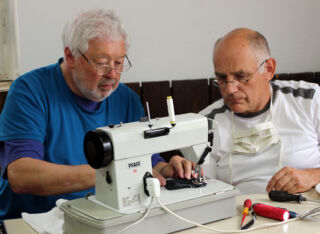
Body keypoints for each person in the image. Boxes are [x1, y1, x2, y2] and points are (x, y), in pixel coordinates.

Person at [0, 9, 195, 221]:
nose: (112, 74)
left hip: (104, 218)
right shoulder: (29, 91)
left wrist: (165, 169)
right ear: (70, 56)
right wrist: (111, 175)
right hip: (33, 221)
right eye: (102, 63)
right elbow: (21, 175)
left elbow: (146, 158)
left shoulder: (126, 99)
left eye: (119, 63)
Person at [200, 28, 320, 194]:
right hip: (244, 214)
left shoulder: (309, 99)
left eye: (241, 76)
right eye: (221, 78)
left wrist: (314, 175)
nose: (229, 89)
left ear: (269, 69)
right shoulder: (205, 123)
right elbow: (204, 194)